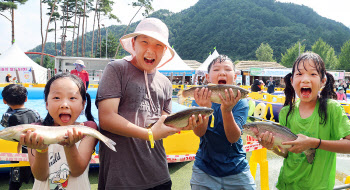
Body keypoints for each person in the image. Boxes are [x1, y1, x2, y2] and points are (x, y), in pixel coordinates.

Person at [96, 18, 199, 189]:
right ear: (134, 43)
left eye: (158, 45)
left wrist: (182, 125)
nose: (151, 50)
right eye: (145, 42)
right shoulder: (117, 69)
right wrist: (148, 134)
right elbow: (106, 118)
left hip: (159, 175)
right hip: (121, 178)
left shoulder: (165, 83)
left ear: (165, 50)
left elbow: (164, 124)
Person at [258, 52, 350, 189]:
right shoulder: (286, 112)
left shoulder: (332, 109)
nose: (305, 80)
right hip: (287, 184)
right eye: (299, 74)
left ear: (323, 81)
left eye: (313, 74)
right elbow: (286, 152)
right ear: (291, 81)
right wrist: (271, 147)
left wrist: (314, 143)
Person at [18, 73, 98, 190]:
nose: (64, 105)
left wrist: (70, 146)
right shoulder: (35, 130)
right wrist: (41, 149)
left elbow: (77, 171)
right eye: (56, 98)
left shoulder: (88, 129)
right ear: (46, 104)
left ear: (83, 104)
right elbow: (40, 176)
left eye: (72, 98)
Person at [190, 55, 256, 189]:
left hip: (236, 166)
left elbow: (233, 138)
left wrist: (226, 110)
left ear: (235, 77)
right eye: (216, 70)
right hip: (204, 168)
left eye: (227, 69)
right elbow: (199, 132)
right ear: (208, 77)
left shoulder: (241, 101)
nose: (222, 72)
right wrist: (205, 108)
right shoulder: (200, 98)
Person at [0, 84, 42, 190]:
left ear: (4, 101)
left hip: (18, 156)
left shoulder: (7, 116)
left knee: (15, 182)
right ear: (26, 99)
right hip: (35, 153)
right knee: (38, 179)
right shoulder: (35, 112)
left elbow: (5, 127)